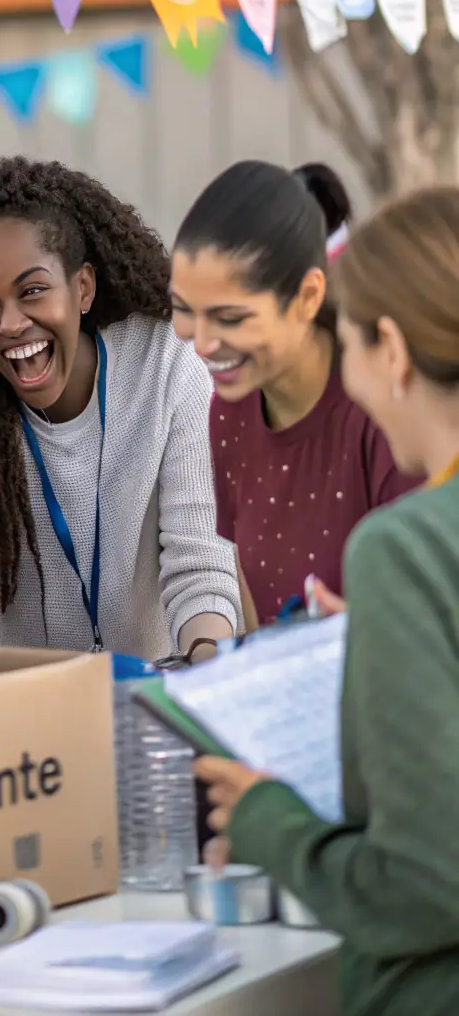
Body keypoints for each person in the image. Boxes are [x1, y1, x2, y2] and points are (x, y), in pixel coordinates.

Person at [198, 185, 459, 1016]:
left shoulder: (405, 548)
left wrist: (268, 819)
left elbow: (422, 885)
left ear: (390, 348)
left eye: (344, 344)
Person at [0, 157, 241, 660]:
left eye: (32, 291)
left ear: (82, 288)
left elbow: (200, 562)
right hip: (16, 707)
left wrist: (209, 666)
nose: (10, 324)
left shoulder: (164, 361)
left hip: (154, 693)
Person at [170, 160, 418, 624]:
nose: (201, 343)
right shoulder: (228, 409)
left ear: (307, 296)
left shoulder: (381, 409)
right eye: (184, 310)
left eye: (229, 318)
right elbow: (250, 592)